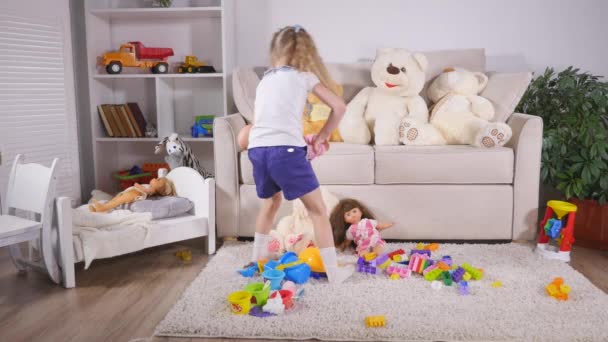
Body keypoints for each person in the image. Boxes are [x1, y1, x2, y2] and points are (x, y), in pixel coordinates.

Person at [247, 25, 352, 284]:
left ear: (276, 51)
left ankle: (256, 261)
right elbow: (339, 107)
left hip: (258, 149)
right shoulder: (304, 77)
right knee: (318, 210)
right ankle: (334, 273)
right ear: (306, 52)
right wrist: (322, 136)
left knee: (270, 204)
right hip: (286, 150)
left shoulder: (265, 80)